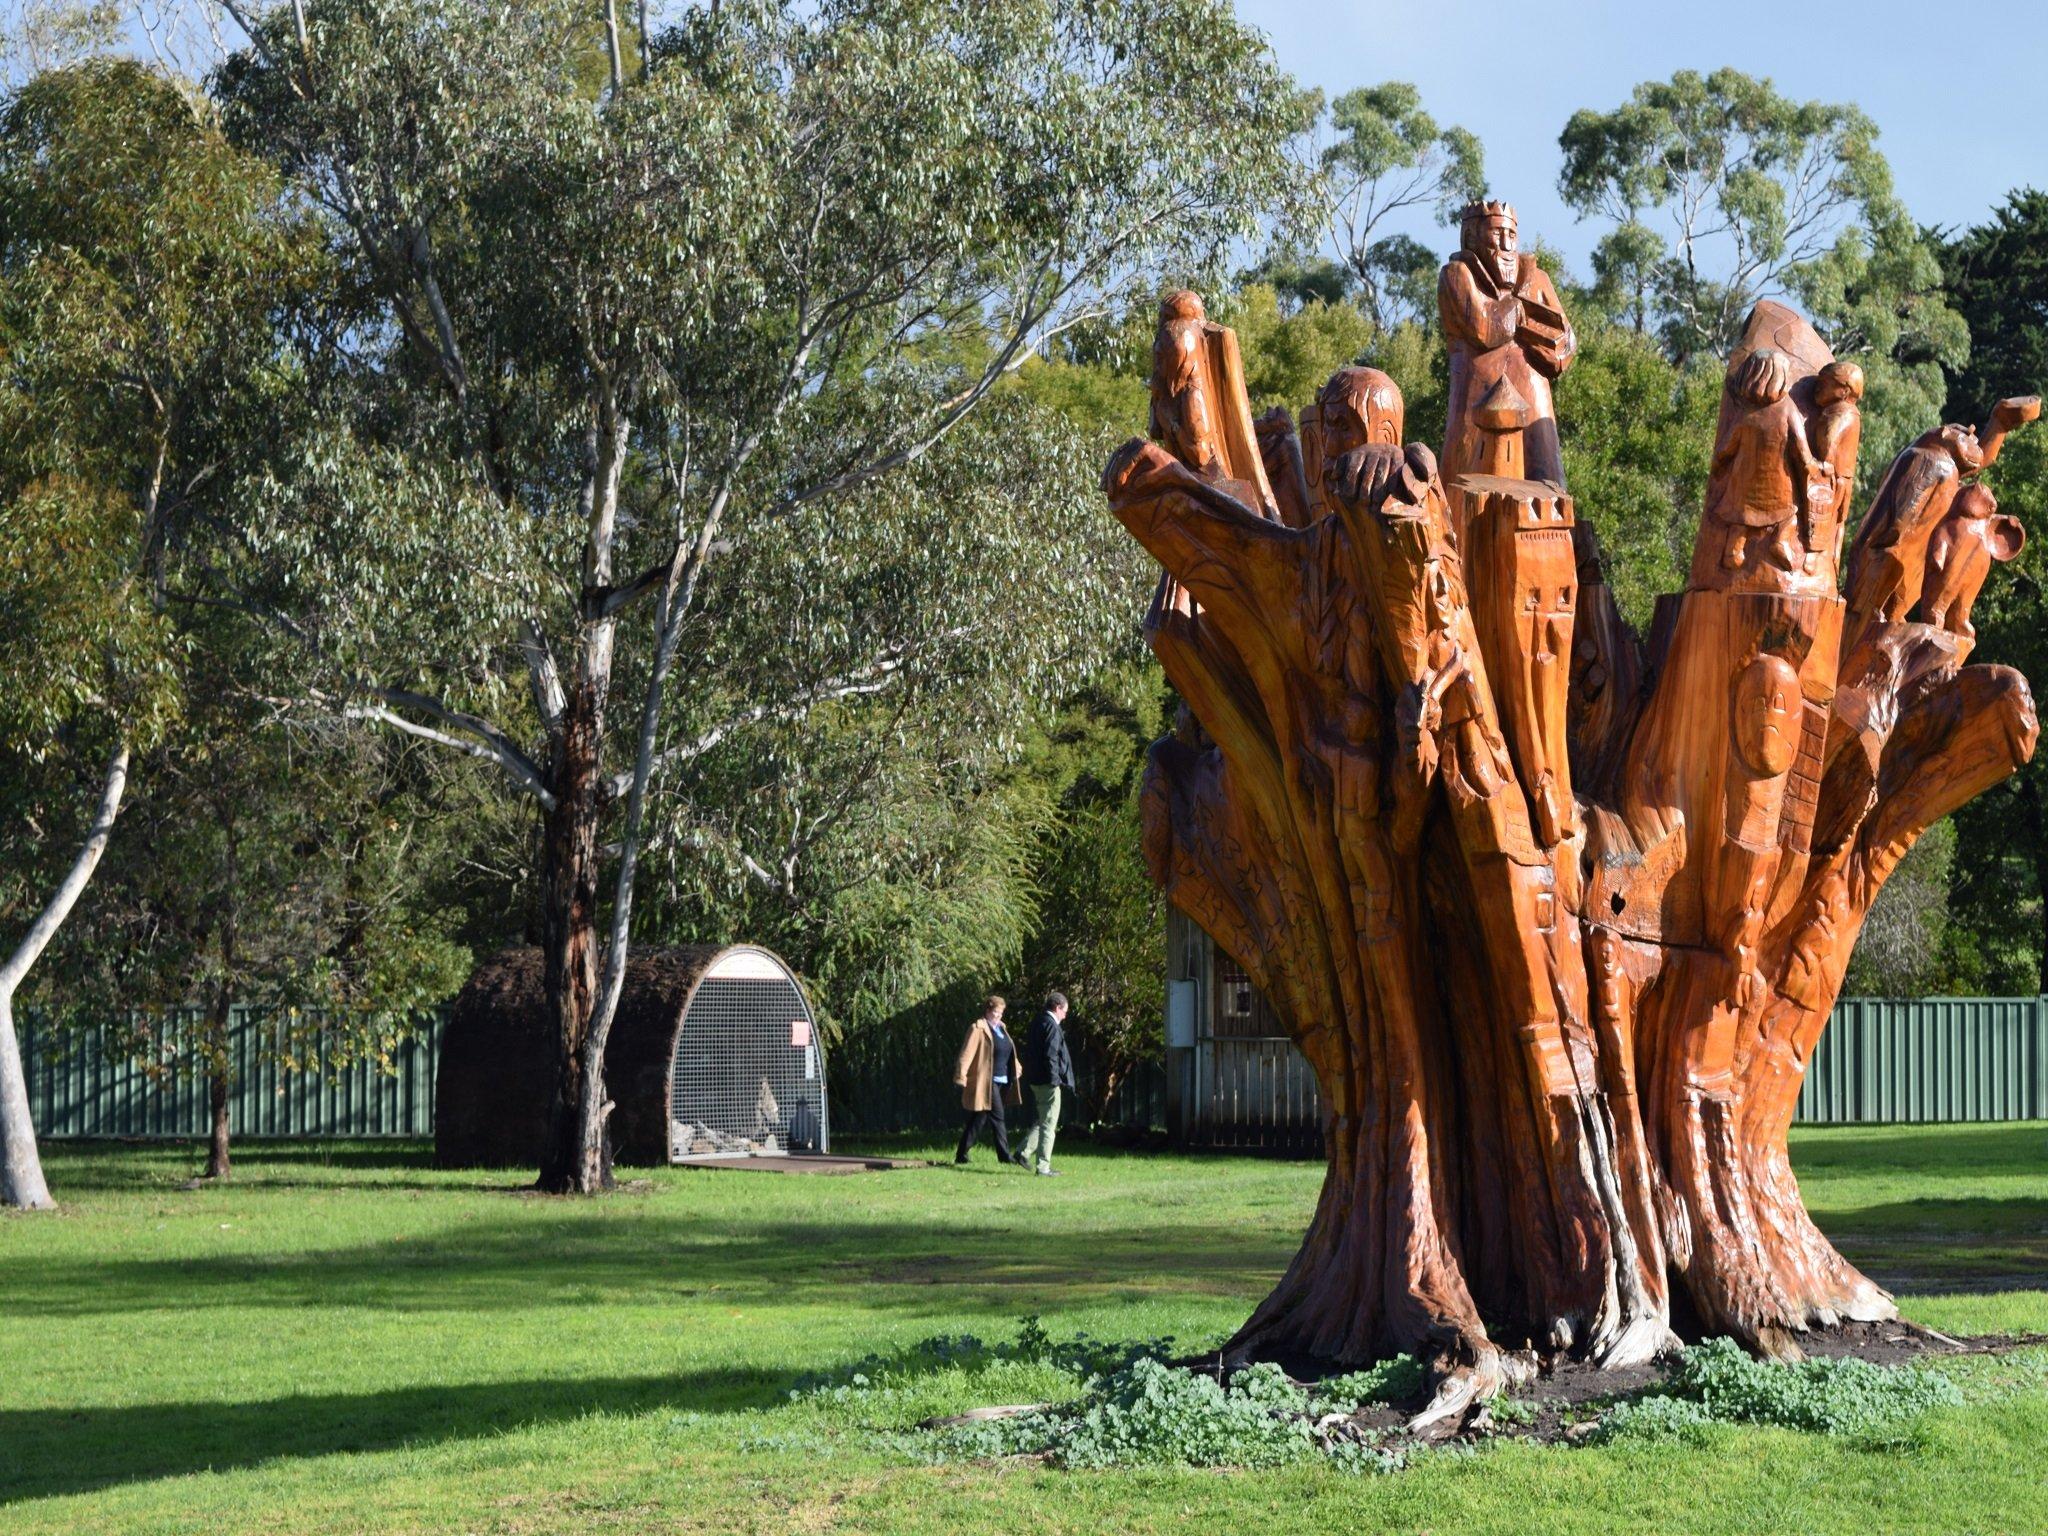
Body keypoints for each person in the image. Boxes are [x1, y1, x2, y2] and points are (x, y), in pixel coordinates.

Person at [953, 994, 1023, 1166]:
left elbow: (1008, 1051)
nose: (998, 1016)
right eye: (995, 1013)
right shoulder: (978, 1028)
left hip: (1002, 1080)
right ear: (987, 1010)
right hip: (986, 1081)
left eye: (1001, 1013)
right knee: (998, 1117)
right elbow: (966, 1053)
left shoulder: (1002, 1029)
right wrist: (961, 1075)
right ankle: (1004, 1156)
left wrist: (1017, 1067)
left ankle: (961, 1153)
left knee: (980, 1117)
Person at [1019, 992, 1076, 1177]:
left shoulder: (1038, 1021)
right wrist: (1054, 1080)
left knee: (1044, 1119)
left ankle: (1022, 1152)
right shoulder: (1051, 1025)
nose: (1065, 1015)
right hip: (1047, 1081)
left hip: (1035, 1079)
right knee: (1049, 1124)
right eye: (1065, 1011)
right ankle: (1043, 1167)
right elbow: (1051, 1055)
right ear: (1057, 1007)